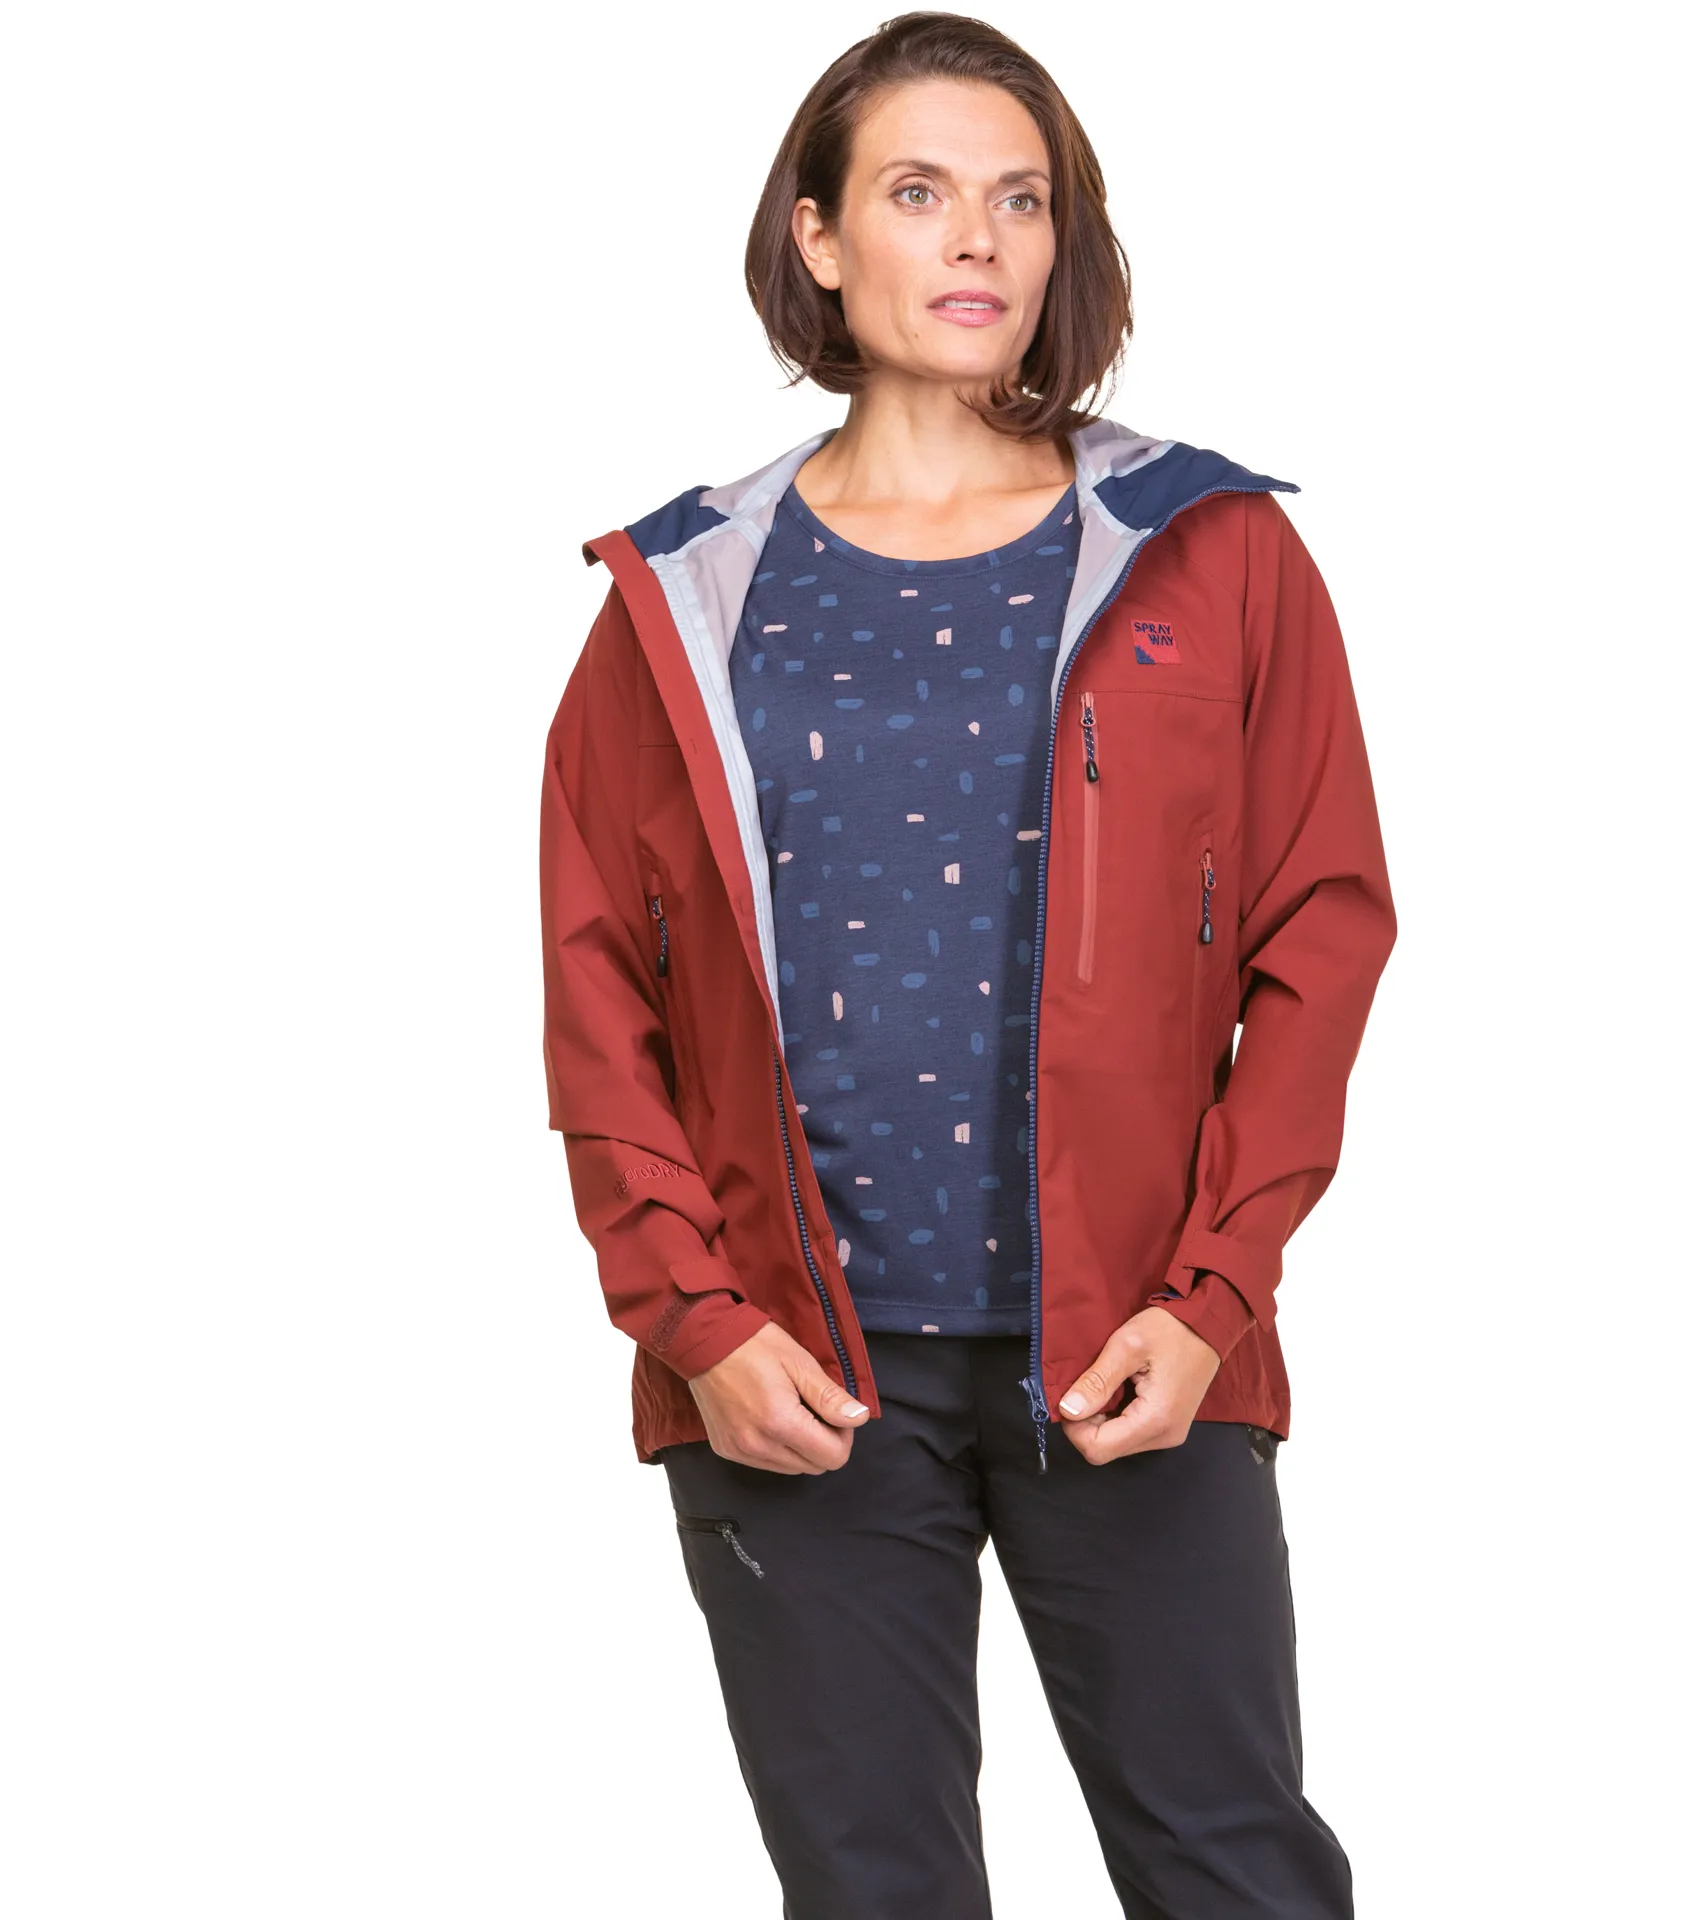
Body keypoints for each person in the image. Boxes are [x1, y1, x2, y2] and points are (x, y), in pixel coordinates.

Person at [537, 13, 1395, 1916]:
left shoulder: (1211, 550)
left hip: (1139, 1349)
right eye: (920, 193)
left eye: (1022, 198)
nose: (979, 239)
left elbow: (1321, 936)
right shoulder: (685, 595)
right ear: (820, 235)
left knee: (1234, 1872)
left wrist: (1216, 1293)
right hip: (797, 1371)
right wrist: (697, 1323)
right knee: (875, 1895)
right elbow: (599, 996)